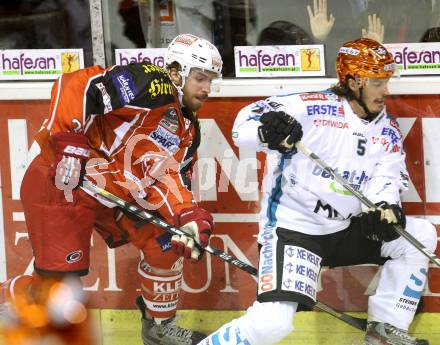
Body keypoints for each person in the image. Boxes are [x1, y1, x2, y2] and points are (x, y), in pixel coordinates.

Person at [198, 38, 437, 345]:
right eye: (377, 82)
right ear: (353, 82)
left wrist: (384, 205)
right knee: (272, 324)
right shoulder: (309, 106)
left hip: (346, 228)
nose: (385, 91)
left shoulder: (386, 127)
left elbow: (388, 175)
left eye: (386, 81)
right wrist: (265, 131)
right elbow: (242, 124)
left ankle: (385, 334)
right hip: (295, 232)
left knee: (418, 236)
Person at [1, 33, 223, 345]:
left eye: (211, 81)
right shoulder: (152, 83)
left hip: (112, 195)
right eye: (200, 78)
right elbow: (77, 85)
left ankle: (158, 329)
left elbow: (173, 179)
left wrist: (186, 216)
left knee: (167, 242)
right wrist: (70, 146)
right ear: (176, 72)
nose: (206, 89)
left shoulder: (188, 130)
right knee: (57, 294)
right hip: (64, 183)